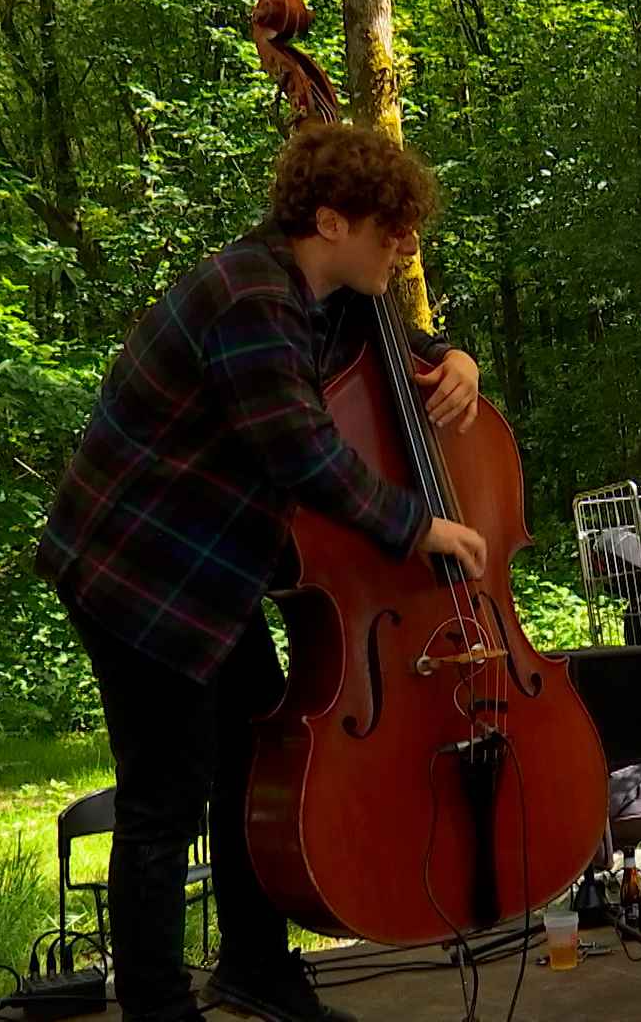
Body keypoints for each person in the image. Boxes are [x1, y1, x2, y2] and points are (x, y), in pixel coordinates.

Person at [36, 123, 487, 1022]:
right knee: (165, 800)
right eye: (389, 230)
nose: (405, 248)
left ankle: (253, 968)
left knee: (251, 765)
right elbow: (303, 455)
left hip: (212, 574)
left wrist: (455, 359)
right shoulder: (251, 296)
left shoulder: (322, 291)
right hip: (140, 574)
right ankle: (159, 1010)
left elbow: (396, 349)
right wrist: (420, 525)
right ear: (330, 222)